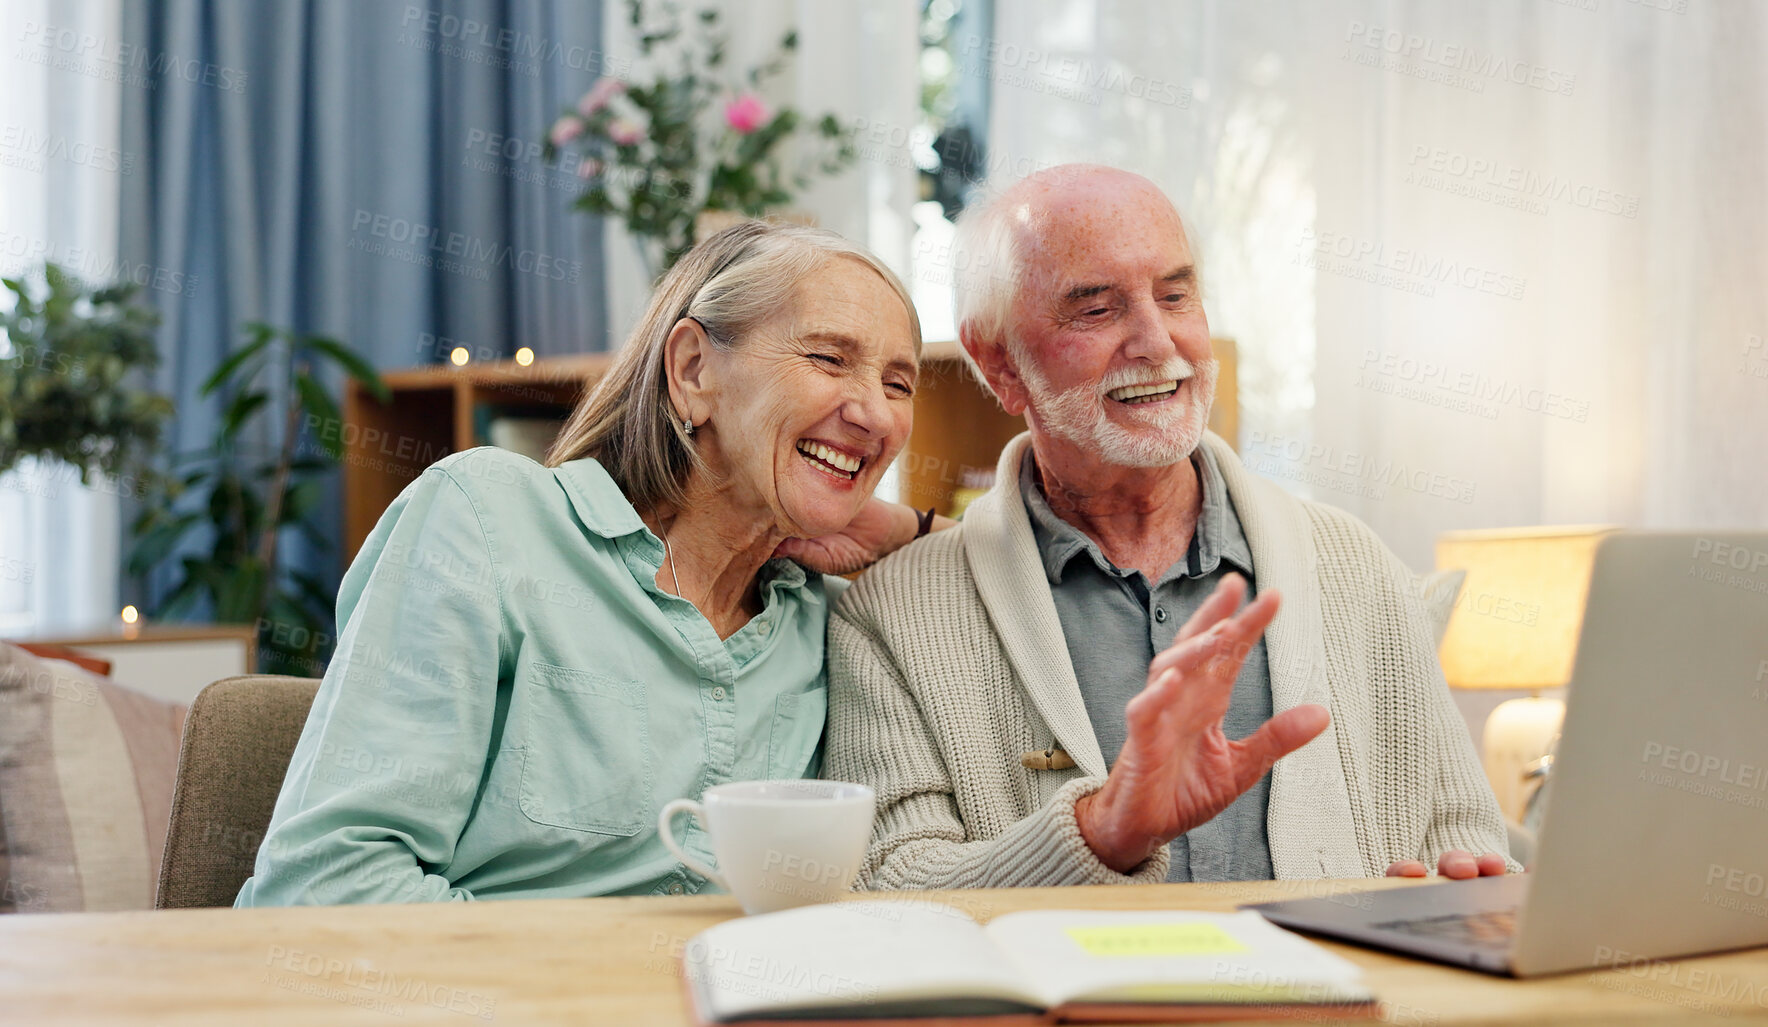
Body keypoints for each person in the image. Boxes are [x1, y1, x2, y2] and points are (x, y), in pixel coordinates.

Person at [823, 165, 1514, 887]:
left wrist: (1454, 884)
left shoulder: (1355, 565)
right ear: (999, 363)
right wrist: (1102, 831)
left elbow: (1459, 830)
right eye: (1095, 309)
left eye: (1175, 294)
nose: (1157, 341)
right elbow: (890, 885)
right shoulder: (891, 615)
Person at [237, 220, 940, 904]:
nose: (875, 415)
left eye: (899, 384)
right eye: (828, 358)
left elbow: (1027, 582)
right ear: (693, 370)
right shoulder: (487, 522)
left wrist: (909, 530)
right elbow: (322, 887)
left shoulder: (826, 620)